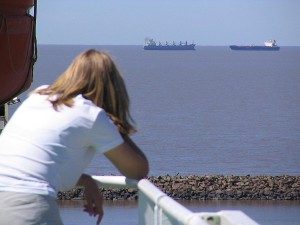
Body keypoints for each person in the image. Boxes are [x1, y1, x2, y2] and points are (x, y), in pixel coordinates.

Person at [0, 49, 149, 225]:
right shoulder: (91, 115)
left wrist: (85, 180)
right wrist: (113, 119)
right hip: (25, 207)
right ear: (112, 87)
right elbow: (138, 170)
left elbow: (29, 164)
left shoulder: (39, 96)